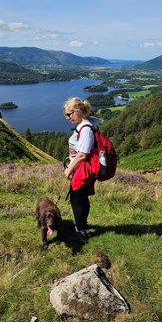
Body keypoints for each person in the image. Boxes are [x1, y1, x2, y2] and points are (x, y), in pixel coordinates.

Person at [63, 97, 95, 243]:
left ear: (78, 111)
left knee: (77, 200)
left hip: (82, 170)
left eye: (69, 114)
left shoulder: (86, 129)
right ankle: (81, 226)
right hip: (79, 168)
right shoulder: (82, 126)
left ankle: (81, 233)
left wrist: (69, 168)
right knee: (80, 198)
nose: (67, 118)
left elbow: (82, 154)